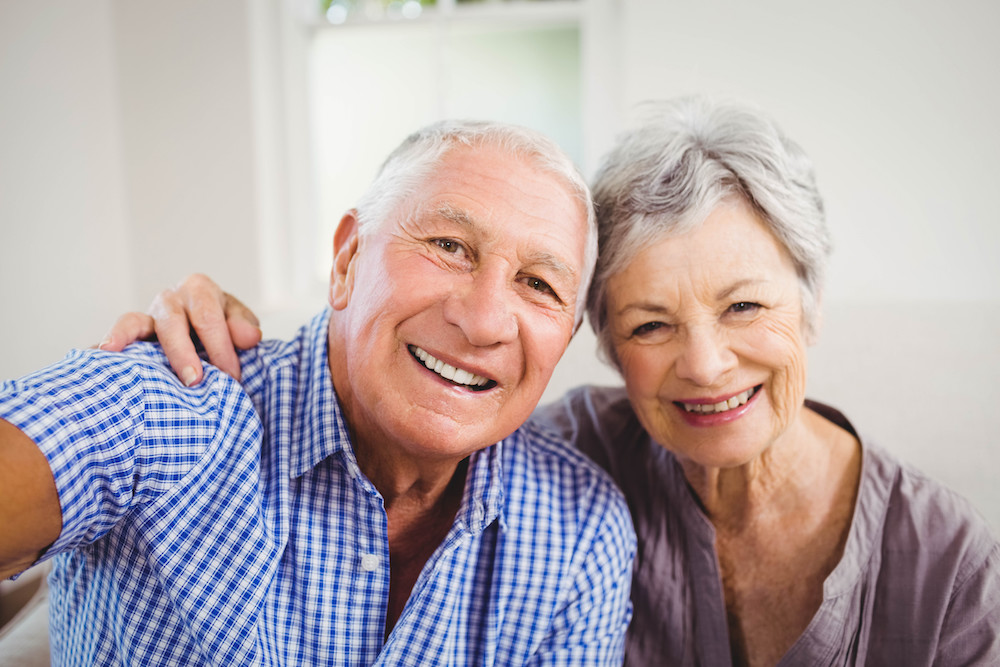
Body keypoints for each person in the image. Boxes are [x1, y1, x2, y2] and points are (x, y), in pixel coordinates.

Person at [124, 98, 1000, 666]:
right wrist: (202, 326)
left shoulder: (951, 564)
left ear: (806, 303)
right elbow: (424, 400)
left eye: (743, 306)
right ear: (607, 345)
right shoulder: (565, 454)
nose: (703, 363)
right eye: (651, 324)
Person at [0, 121, 637, 665]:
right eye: (448, 246)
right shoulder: (171, 399)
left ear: (566, 337)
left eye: (539, 286)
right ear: (346, 262)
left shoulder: (580, 530)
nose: (485, 321)